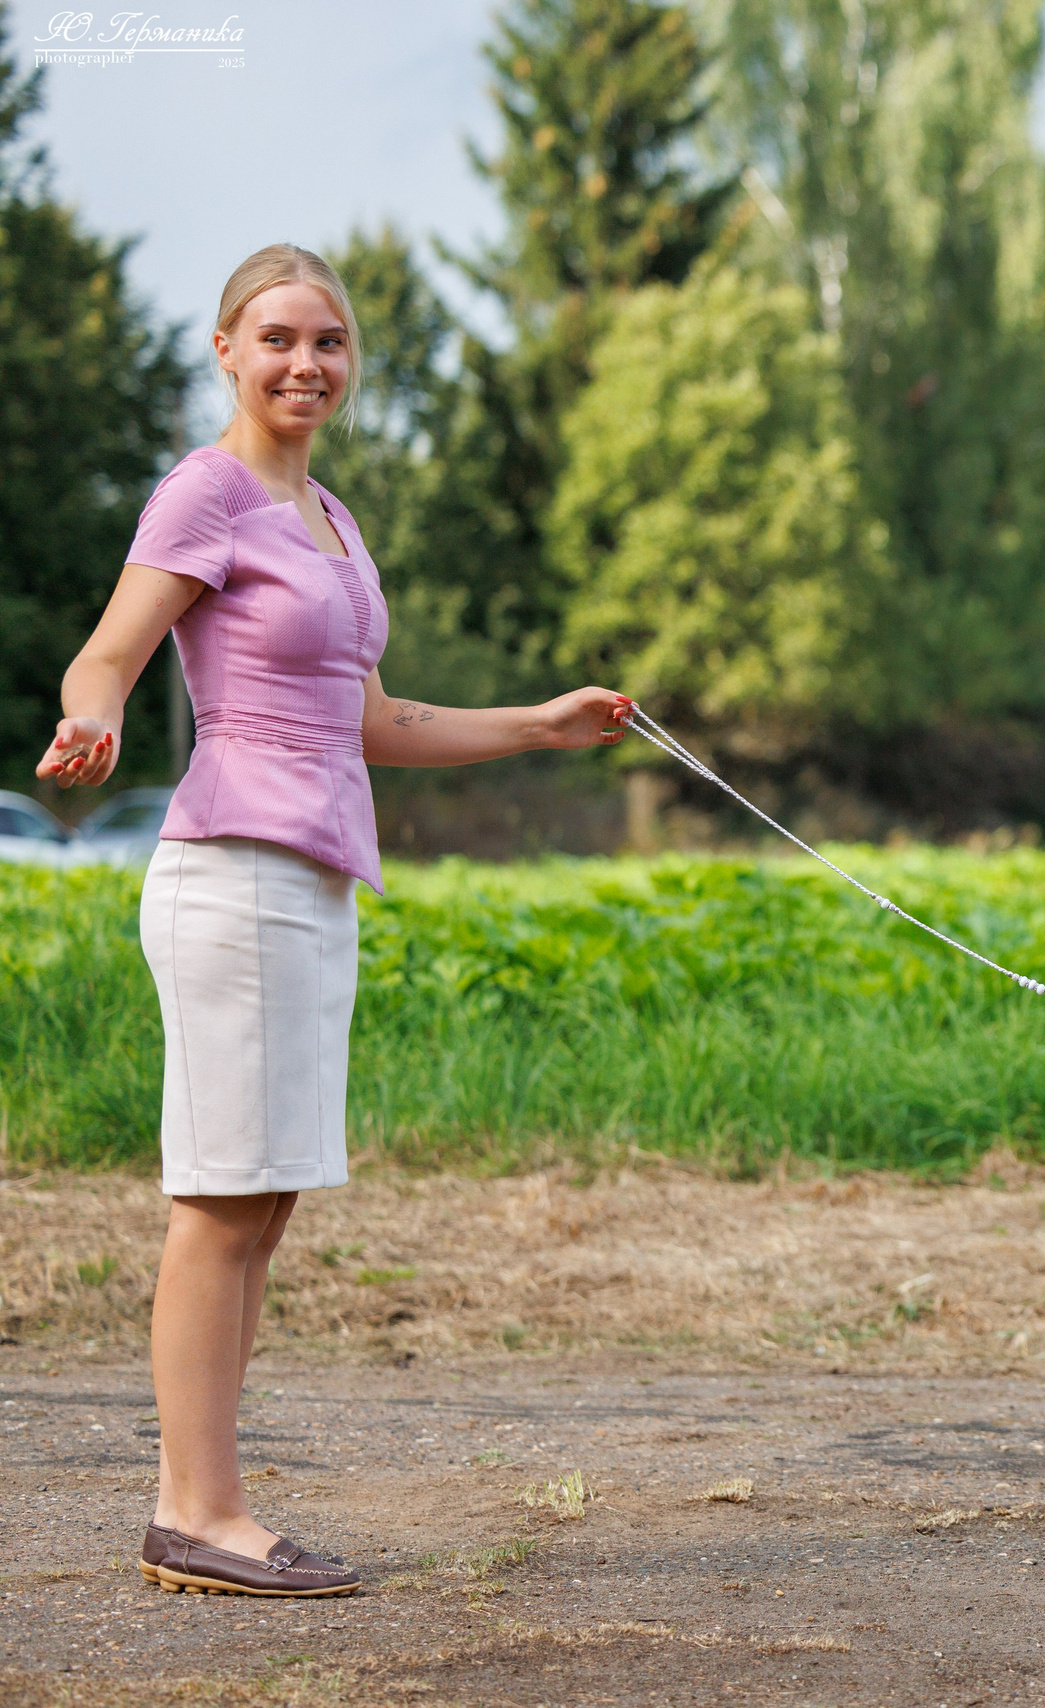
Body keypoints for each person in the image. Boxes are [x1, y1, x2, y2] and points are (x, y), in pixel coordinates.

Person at [34, 244, 633, 1597]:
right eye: (278, 338)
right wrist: (94, 717)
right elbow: (110, 651)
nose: (306, 362)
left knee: (266, 1199)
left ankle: (207, 1500)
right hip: (231, 874)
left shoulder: (333, 521)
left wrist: (538, 725)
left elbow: (371, 721)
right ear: (227, 351)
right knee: (219, 1201)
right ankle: (197, 1513)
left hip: (312, 883)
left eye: (331, 342)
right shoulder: (207, 492)